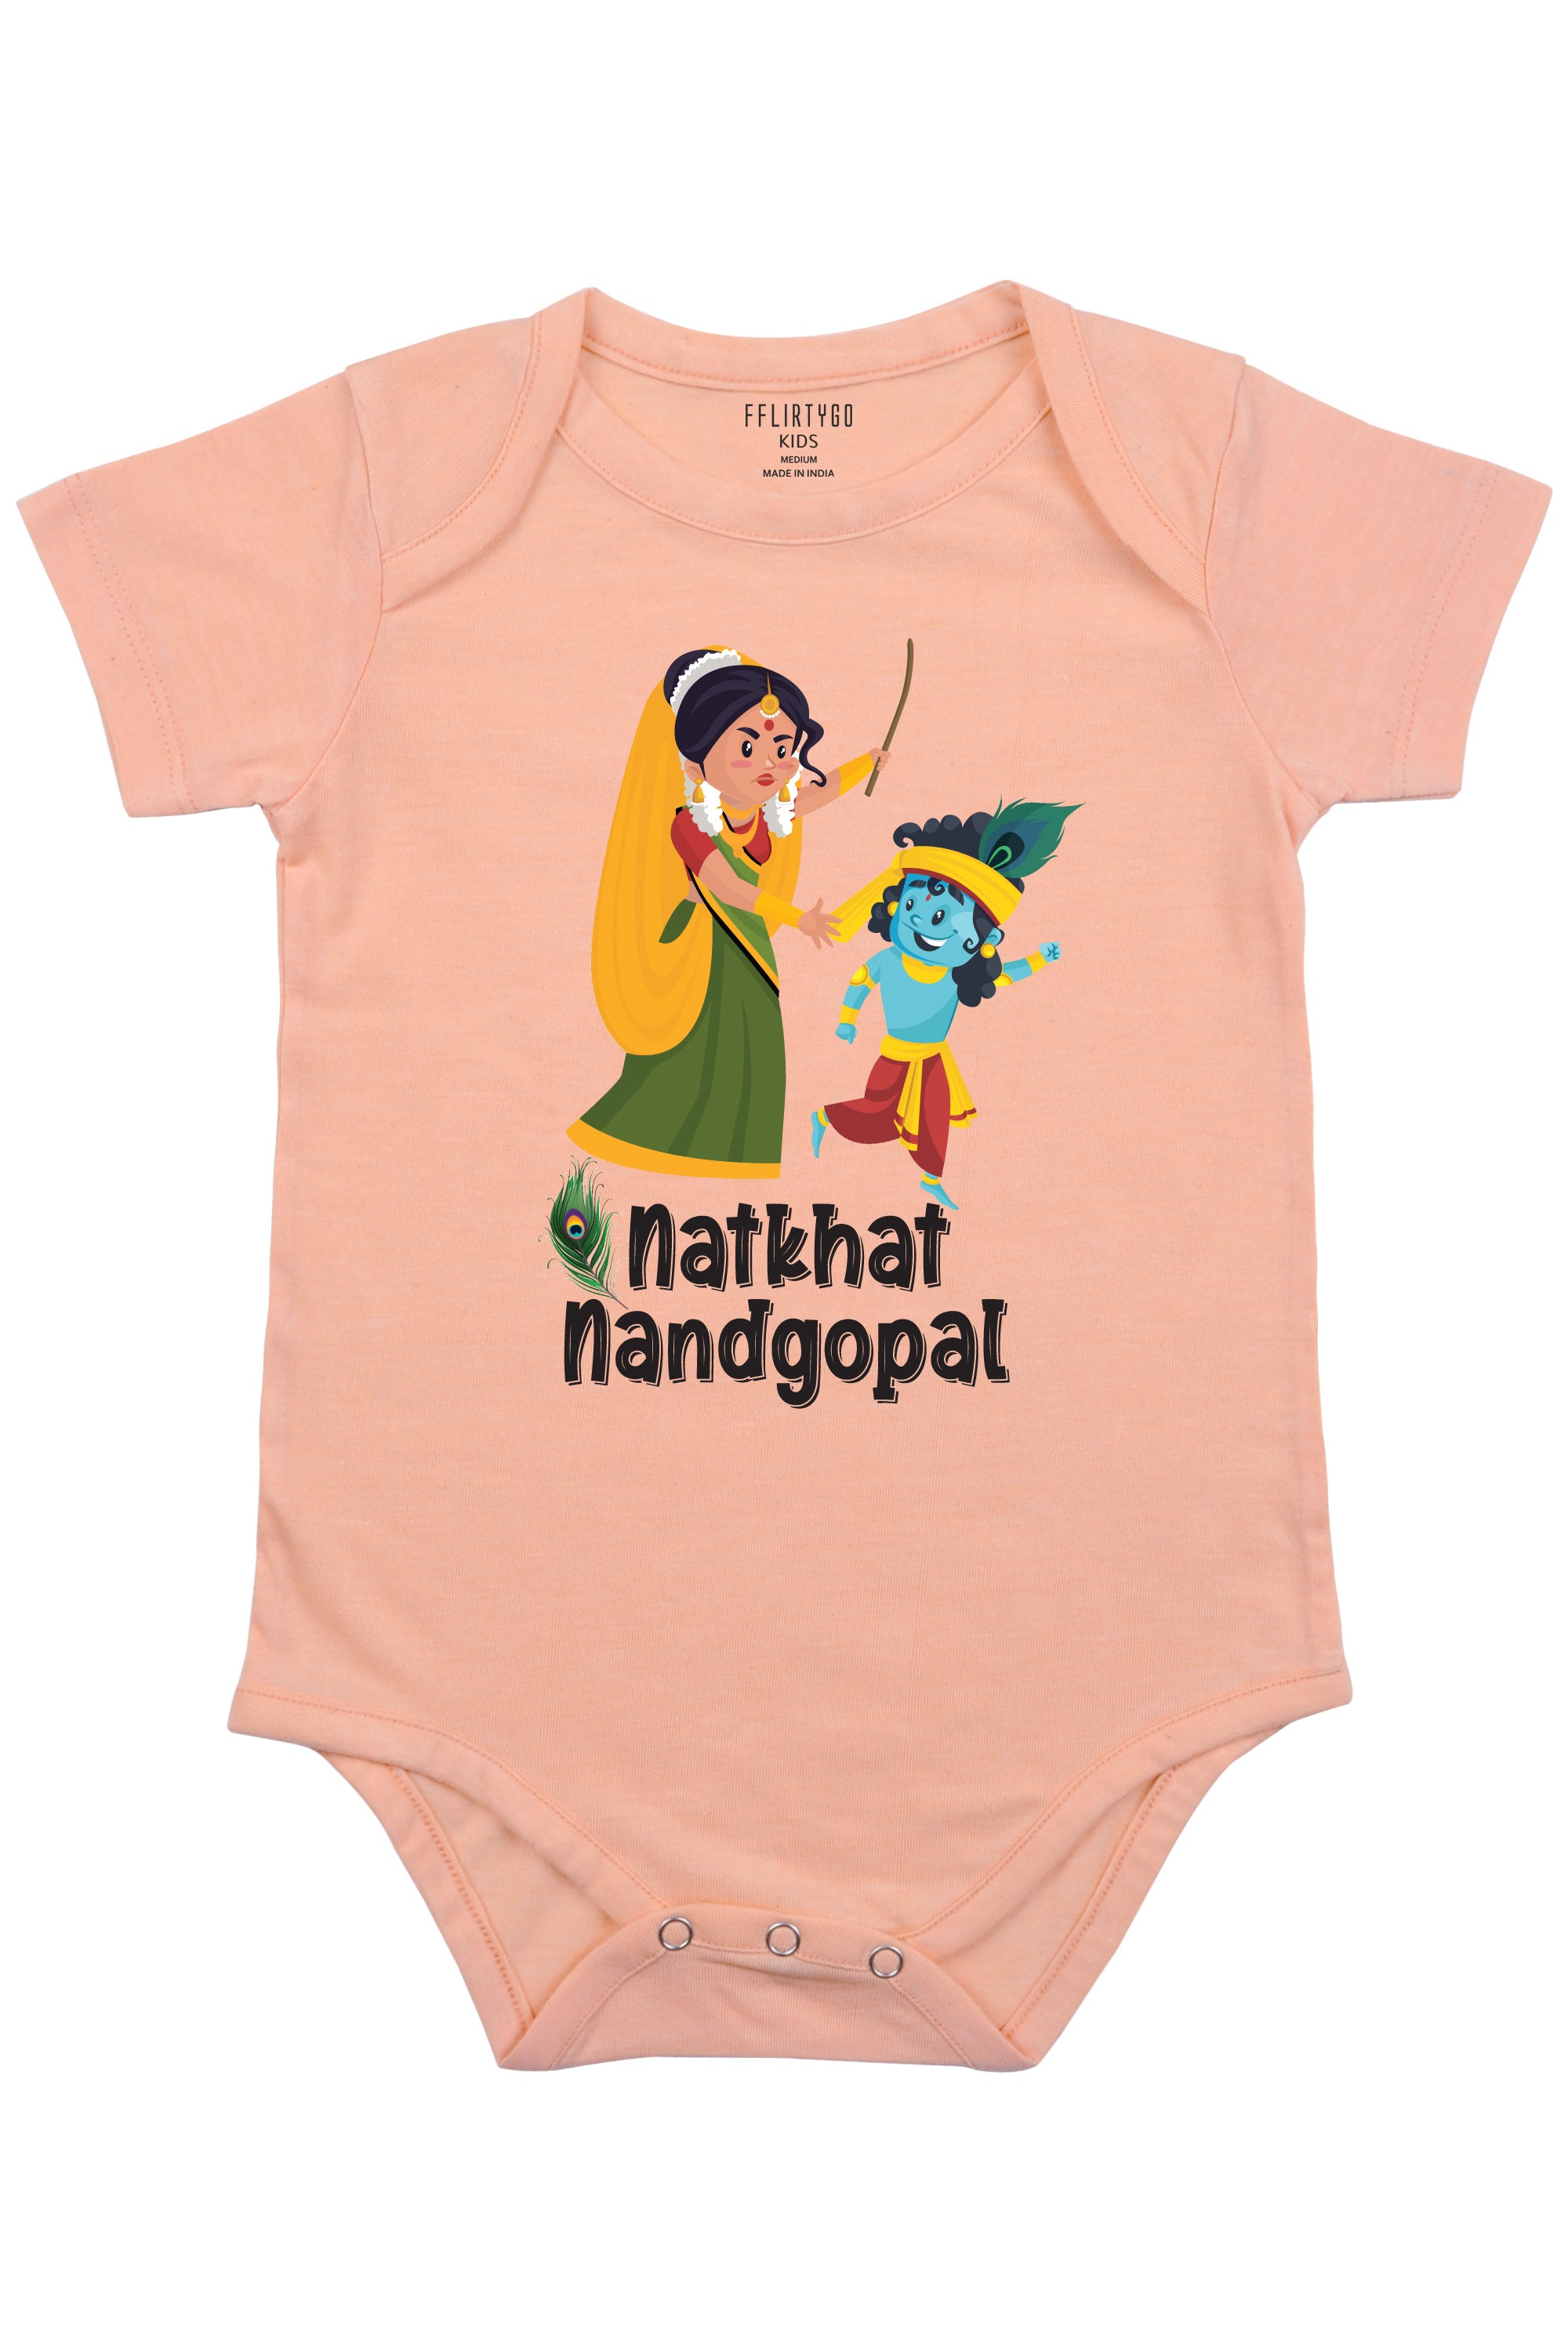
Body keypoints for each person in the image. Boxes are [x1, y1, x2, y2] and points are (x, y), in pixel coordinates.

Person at [570, 646, 891, 1178]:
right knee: (697, 1054)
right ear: (695, 761)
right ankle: (659, 1144)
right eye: (748, 746)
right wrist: (798, 918)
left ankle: (732, 1156)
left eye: (782, 747)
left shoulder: (765, 812)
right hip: (703, 948)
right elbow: (725, 887)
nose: (770, 763)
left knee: (754, 1053)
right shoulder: (690, 824)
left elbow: (819, 792)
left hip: (745, 947)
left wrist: (867, 762)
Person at [814, 803, 1076, 1207]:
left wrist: (1040, 959)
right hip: (895, 1054)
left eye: (941, 916)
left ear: (981, 941)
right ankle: (825, 1117)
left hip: (933, 1056)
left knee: (935, 1119)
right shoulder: (890, 960)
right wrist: (848, 1020)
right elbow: (860, 981)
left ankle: (931, 1178)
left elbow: (1005, 975)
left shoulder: (958, 974)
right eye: (911, 907)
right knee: (877, 1111)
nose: (920, 922)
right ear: (894, 906)